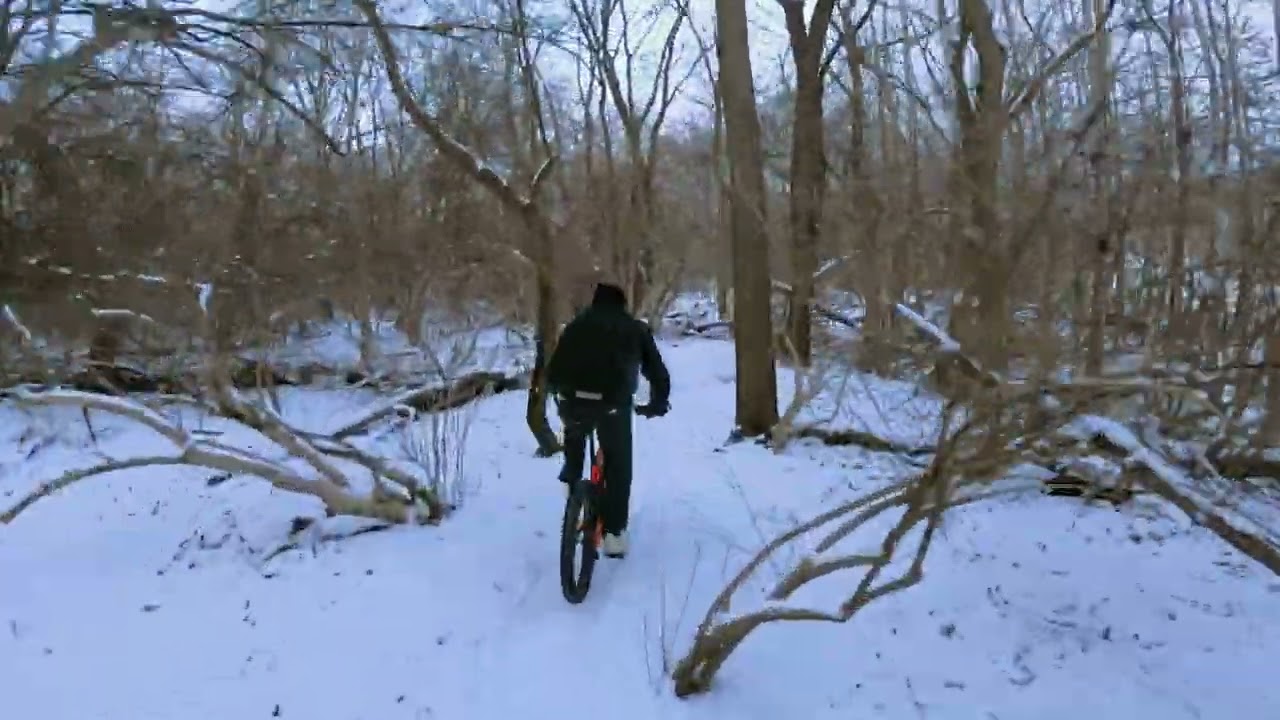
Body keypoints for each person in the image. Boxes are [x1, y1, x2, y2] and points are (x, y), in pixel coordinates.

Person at [546, 281, 671, 558]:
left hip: (572, 400)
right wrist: (658, 403)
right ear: (622, 304)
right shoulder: (633, 328)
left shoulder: (575, 326)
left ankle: (571, 477)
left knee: (575, 431)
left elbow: (553, 371)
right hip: (612, 405)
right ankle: (614, 534)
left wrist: (558, 395)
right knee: (618, 465)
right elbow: (657, 372)